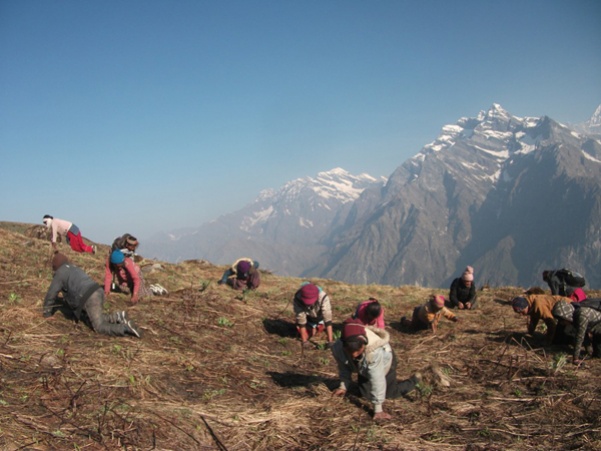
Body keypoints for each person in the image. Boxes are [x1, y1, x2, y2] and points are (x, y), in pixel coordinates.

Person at [331, 318, 421, 420]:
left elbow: (376, 379)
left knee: (391, 394)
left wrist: (378, 410)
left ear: (364, 343)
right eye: (350, 353)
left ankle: (415, 380)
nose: (353, 356)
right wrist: (343, 386)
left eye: (357, 352)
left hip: (385, 362)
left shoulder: (375, 350)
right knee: (365, 395)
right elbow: (344, 367)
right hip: (363, 366)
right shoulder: (338, 348)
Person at [42, 253, 141, 337]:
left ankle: (126, 328)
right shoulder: (74, 268)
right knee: (92, 317)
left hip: (89, 297)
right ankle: (117, 317)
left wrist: (47, 313)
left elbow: (52, 293)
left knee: (99, 327)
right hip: (97, 291)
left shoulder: (61, 272)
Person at [552, 299, 601, 364]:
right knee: (598, 355)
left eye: (562, 320)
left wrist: (575, 358)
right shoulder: (575, 317)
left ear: (566, 315)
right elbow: (585, 335)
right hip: (597, 332)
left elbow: (580, 337)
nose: (561, 323)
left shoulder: (581, 315)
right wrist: (589, 352)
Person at [293, 282, 334, 348]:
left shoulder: (323, 297)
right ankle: (313, 328)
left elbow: (328, 319)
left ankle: (320, 326)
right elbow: (301, 318)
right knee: (304, 333)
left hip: (320, 318)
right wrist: (304, 341)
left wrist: (330, 341)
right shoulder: (298, 298)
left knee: (315, 330)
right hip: (308, 318)